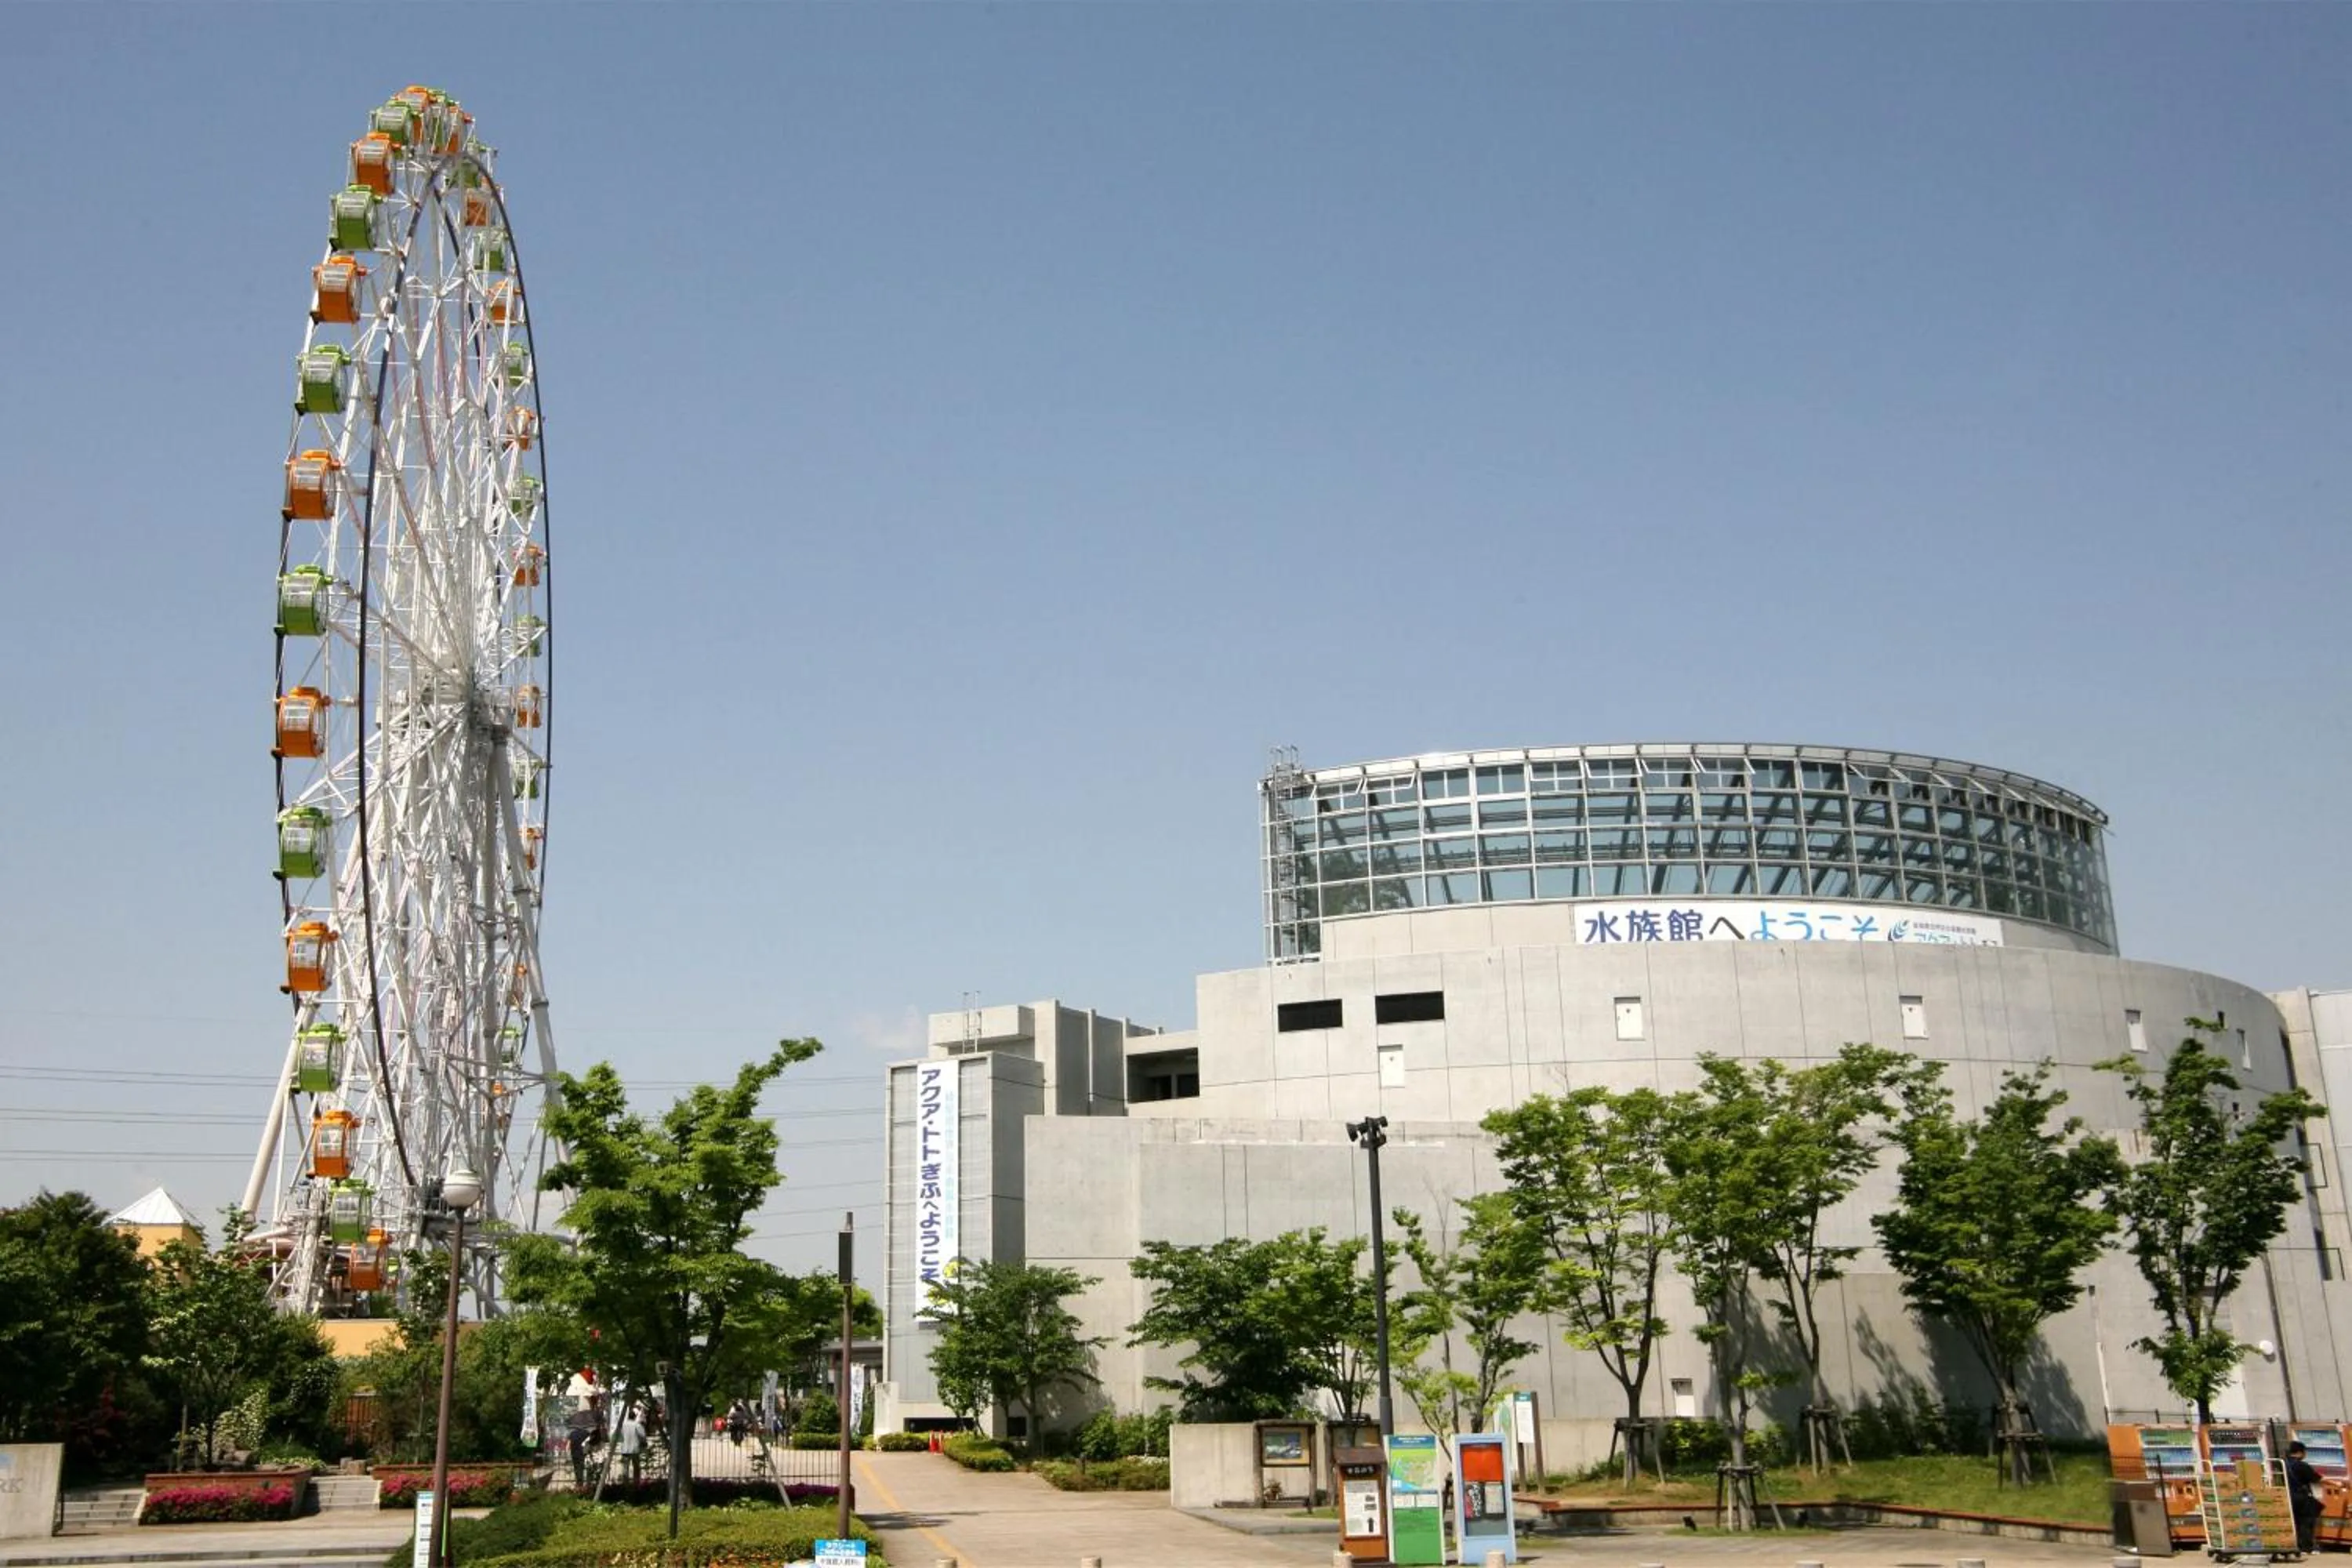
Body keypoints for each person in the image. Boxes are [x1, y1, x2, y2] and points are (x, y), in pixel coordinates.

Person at [2285, 1440, 2325, 1555]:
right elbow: (2318, 1479)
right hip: (2301, 1497)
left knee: (2295, 1522)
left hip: (2288, 1496)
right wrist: (2336, 1484)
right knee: (2307, 1522)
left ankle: (2296, 1546)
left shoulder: (2284, 1463)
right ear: (2300, 1452)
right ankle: (2306, 1548)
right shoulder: (2302, 1465)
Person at [614, 1403, 647, 1486]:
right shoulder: (637, 1425)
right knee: (636, 1467)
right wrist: (643, 1443)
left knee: (625, 1468)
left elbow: (619, 1435)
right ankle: (636, 1483)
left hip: (625, 1449)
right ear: (635, 1417)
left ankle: (625, 1484)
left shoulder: (623, 1425)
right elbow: (643, 1435)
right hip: (635, 1449)